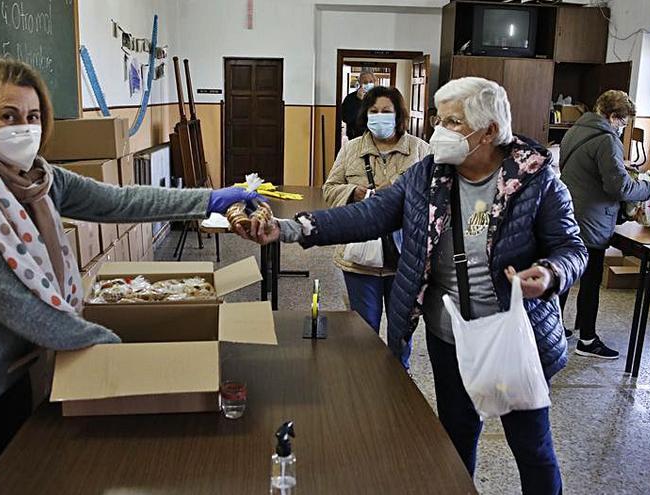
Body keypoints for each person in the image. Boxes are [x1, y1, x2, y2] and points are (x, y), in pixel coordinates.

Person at [0, 55, 258, 495]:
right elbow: (16, 303)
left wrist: (208, 199)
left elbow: (118, 202)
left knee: (24, 478)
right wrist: (114, 348)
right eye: (8, 116)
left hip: (11, 366)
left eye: (33, 116)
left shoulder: (37, 180)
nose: (25, 127)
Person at [237, 77, 587, 494]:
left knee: (532, 447)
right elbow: (370, 214)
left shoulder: (536, 178)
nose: (439, 129)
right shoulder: (428, 175)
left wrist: (549, 274)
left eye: (453, 122)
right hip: (449, 335)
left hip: (511, 335)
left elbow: (571, 247)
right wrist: (290, 228)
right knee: (455, 439)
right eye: (440, 118)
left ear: (489, 131)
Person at [323, 86, 430, 366]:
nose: (379, 116)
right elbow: (329, 190)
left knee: (402, 333)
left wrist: (401, 195)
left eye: (386, 111)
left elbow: (435, 198)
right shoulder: (351, 149)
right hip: (360, 258)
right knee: (364, 330)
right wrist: (355, 192)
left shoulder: (420, 150)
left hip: (405, 258)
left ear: (399, 115)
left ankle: (399, 382)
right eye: (373, 111)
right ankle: (365, 385)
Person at [558, 90, 650, 360]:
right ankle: (587, 339)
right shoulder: (607, 140)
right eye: (623, 123)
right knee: (590, 280)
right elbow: (619, 187)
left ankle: (554, 327)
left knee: (565, 274)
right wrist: (647, 188)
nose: (623, 128)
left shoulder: (575, 130)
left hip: (567, 213)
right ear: (613, 117)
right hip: (592, 220)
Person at [341, 69, 377, 139]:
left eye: (371, 81)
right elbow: (346, 118)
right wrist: (359, 101)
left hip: (374, 136)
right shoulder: (350, 98)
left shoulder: (378, 97)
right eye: (365, 82)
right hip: (356, 136)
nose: (368, 84)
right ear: (360, 83)